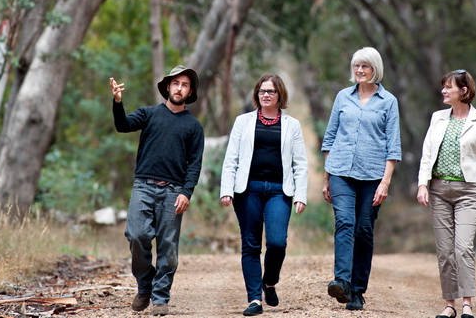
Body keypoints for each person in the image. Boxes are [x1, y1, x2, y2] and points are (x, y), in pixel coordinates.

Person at [110, 65, 205, 316]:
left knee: (168, 248)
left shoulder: (193, 126)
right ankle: (145, 285)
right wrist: (118, 101)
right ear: (167, 87)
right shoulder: (149, 113)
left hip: (174, 191)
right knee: (137, 234)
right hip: (143, 185)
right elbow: (123, 125)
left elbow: (195, 165)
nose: (179, 88)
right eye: (175, 83)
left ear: (190, 91)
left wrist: (186, 192)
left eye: (184, 85)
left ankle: (160, 298)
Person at [220, 73, 309, 316]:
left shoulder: (292, 125)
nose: (266, 95)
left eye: (271, 91)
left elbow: (300, 164)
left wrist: (301, 195)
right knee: (250, 245)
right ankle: (254, 299)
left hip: (279, 191)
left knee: (277, 242)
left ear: (280, 95)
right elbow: (232, 159)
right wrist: (226, 189)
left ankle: (269, 282)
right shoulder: (243, 122)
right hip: (247, 190)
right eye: (262, 91)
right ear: (257, 95)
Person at [321, 47, 401, 311]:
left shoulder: (388, 101)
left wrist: (385, 182)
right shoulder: (343, 97)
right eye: (356, 66)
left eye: (365, 66)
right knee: (344, 221)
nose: (359, 71)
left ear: (375, 68)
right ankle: (341, 282)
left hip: (372, 176)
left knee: (363, 230)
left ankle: (357, 290)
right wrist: (326, 177)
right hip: (340, 171)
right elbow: (330, 137)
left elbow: (393, 146)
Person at [416, 69, 476, 318]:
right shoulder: (438, 118)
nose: (443, 91)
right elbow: (427, 155)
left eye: (448, 87)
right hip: (439, 189)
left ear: (464, 91)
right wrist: (423, 184)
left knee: (463, 247)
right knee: (445, 251)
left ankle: (467, 304)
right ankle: (449, 304)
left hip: (469, 190)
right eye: (443, 87)